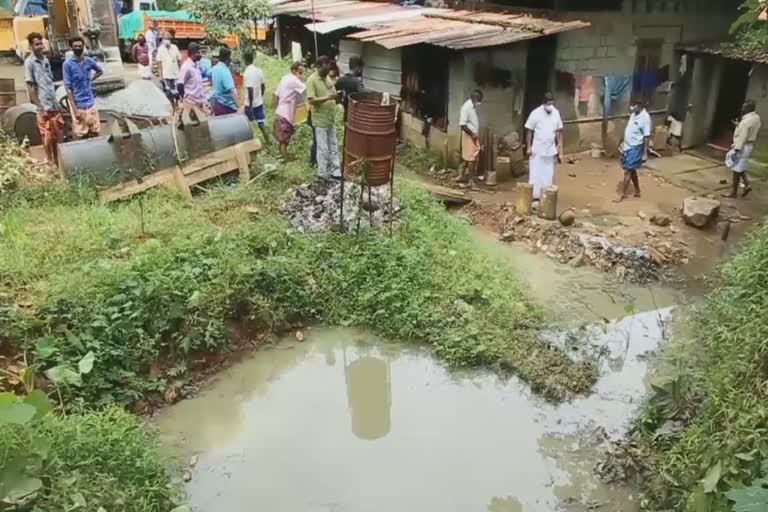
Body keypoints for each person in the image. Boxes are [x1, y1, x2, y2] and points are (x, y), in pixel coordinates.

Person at [24, 32, 63, 165]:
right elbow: (30, 87)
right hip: (43, 105)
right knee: (46, 135)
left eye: (41, 43)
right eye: (36, 44)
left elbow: (50, 82)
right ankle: (50, 160)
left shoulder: (45, 60)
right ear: (31, 46)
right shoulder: (29, 63)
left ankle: (57, 161)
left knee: (55, 134)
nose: (40, 46)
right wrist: (39, 106)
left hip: (53, 103)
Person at [307, 56, 341, 179]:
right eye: (325, 70)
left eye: (328, 70)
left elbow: (332, 91)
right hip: (320, 120)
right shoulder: (312, 80)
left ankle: (336, 172)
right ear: (318, 67)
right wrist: (328, 98)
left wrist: (336, 96)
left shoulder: (327, 78)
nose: (327, 72)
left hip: (330, 118)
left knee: (333, 145)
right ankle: (322, 173)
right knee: (322, 148)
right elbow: (311, 100)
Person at [525, 92, 563, 200]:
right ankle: (535, 196)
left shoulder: (556, 113)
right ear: (544, 103)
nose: (550, 106)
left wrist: (559, 147)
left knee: (548, 174)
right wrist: (528, 147)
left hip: (550, 150)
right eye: (548, 104)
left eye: (552, 104)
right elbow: (529, 130)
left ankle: (546, 196)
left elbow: (559, 131)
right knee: (536, 173)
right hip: (537, 149)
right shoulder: (535, 113)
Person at [63, 36, 103, 139]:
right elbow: (68, 88)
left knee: (95, 132)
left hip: (90, 103)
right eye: (75, 46)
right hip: (78, 105)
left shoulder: (88, 61)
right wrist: (75, 109)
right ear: (71, 47)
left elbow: (100, 71)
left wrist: (90, 79)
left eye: (80, 46)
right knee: (82, 135)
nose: (78, 48)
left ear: (83, 47)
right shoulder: (67, 64)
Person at [616, 98, 651, 202]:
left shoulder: (645, 118)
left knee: (627, 171)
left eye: (634, 105)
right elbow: (629, 129)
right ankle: (637, 191)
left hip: (635, 148)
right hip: (627, 146)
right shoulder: (633, 115)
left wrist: (645, 153)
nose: (631, 107)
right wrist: (622, 141)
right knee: (631, 170)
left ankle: (621, 194)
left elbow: (646, 136)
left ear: (639, 105)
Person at [724, 100, 761, 198]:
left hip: (743, 146)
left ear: (749, 108)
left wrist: (737, 148)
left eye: (744, 107)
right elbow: (748, 130)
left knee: (736, 169)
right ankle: (747, 184)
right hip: (749, 145)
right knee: (740, 167)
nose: (742, 108)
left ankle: (733, 192)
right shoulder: (756, 118)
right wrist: (738, 125)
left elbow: (743, 136)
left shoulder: (745, 121)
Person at [273, 61, 306, 160]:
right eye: (299, 72)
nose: (301, 75)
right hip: (286, 114)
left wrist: (277, 108)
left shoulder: (284, 78)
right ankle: (285, 159)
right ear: (293, 71)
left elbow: (276, 95)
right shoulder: (294, 80)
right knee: (284, 140)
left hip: (280, 112)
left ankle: (281, 157)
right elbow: (307, 90)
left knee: (282, 139)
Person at [242, 52, 270, 144]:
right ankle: (269, 142)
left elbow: (250, 89)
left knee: (247, 126)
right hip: (258, 102)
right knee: (261, 124)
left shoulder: (246, 73)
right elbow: (263, 86)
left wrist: (250, 106)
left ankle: (251, 144)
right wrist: (260, 95)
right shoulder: (259, 71)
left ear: (244, 61)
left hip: (249, 104)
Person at [458, 90, 483, 186]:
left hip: (472, 135)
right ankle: (470, 180)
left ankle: (461, 176)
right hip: (469, 135)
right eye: (479, 100)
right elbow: (462, 125)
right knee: (471, 158)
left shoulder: (472, 107)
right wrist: (472, 134)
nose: (480, 102)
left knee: (467, 157)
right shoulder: (466, 108)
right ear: (476, 99)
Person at [177, 42, 209, 114]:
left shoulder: (196, 65)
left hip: (199, 103)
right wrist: (183, 99)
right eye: (198, 52)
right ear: (193, 53)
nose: (200, 55)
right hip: (190, 103)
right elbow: (180, 84)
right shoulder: (186, 67)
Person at [209, 47, 239, 116]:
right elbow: (232, 91)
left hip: (215, 102)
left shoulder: (215, 68)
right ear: (227, 59)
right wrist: (239, 107)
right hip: (225, 106)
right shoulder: (225, 71)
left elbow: (208, 74)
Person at [335, 55, 364, 122]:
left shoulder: (341, 80)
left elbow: (333, 91)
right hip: (355, 113)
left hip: (346, 111)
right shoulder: (356, 82)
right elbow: (363, 94)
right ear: (358, 67)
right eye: (361, 68)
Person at [156, 31, 181, 106]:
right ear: (163, 39)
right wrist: (160, 75)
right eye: (165, 38)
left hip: (175, 75)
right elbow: (159, 63)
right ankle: (171, 107)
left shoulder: (175, 48)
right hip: (166, 75)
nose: (167, 40)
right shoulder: (160, 49)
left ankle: (177, 108)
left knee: (176, 94)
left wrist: (180, 73)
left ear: (170, 40)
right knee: (168, 93)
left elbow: (179, 60)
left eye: (168, 38)